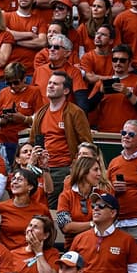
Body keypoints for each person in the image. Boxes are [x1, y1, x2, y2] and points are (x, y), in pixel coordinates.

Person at [30, 72, 93, 208]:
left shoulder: (75, 112)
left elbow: (86, 143)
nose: (50, 86)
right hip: (41, 169)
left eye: (55, 84)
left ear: (66, 90)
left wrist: (75, 168)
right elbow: (32, 141)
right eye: (49, 83)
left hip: (64, 169)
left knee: (56, 208)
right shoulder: (41, 113)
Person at [0, 62, 45, 165]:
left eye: (16, 83)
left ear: (24, 78)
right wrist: (0, 121)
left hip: (24, 142)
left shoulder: (34, 91)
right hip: (3, 140)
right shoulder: (3, 92)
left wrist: (24, 119)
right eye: (9, 83)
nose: (12, 86)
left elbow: (40, 118)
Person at [57, 156, 111, 249]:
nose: (99, 174)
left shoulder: (102, 195)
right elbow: (66, 227)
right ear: (83, 172)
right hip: (73, 248)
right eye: (95, 170)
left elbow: (107, 223)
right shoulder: (65, 196)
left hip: (98, 246)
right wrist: (93, 224)